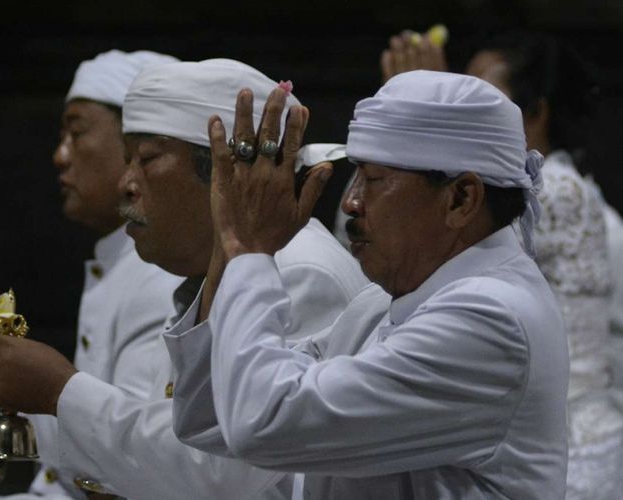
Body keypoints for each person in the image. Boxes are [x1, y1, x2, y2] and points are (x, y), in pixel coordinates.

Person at [0, 59, 373, 499]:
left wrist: (61, 392)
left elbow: (219, 474)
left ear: (225, 172)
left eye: (147, 159)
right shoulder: (208, 272)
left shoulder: (297, 268)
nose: (126, 184)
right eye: (127, 159)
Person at [166, 70, 569, 499]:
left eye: (373, 179)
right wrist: (229, 247)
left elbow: (262, 424)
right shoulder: (384, 302)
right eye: (354, 174)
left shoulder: (491, 318)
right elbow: (206, 418)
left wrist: (250, 248)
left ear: (461, 198)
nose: (350, 201)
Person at [0, 49, 183, 500]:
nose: (59, 156)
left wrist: (4, 373)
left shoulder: (163, 272)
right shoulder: (121, 262)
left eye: (77, 131)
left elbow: (124, 467)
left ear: (138, 146)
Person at [383, 31, 623, 498]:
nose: (469, 110)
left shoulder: (551, 190)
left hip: (565, 448)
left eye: (484, 98)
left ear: (536, 114)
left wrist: (420, 119)